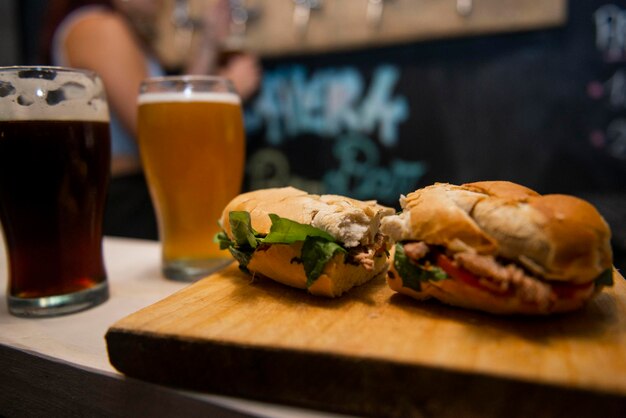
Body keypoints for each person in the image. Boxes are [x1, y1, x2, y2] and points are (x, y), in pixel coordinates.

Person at [39, 0, 261, 240]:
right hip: (122, 199)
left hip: (124, 194)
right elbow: (155, 129)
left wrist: (208, 44)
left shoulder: (108, 26)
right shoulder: (100, 27)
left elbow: (172, 105)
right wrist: (228, 89)